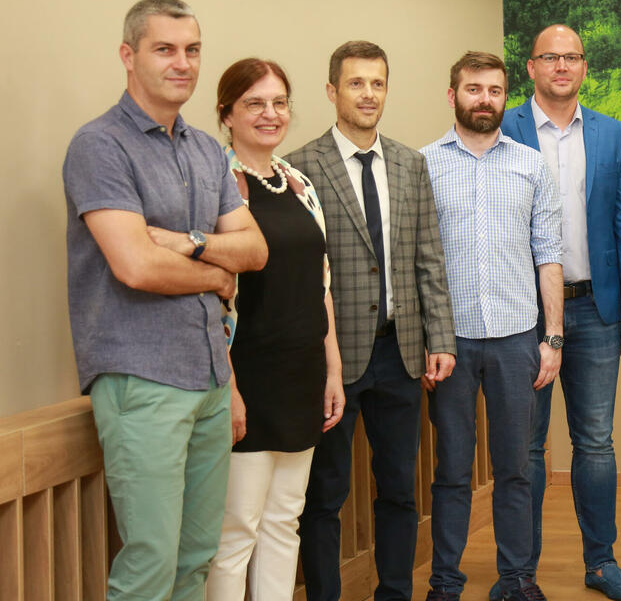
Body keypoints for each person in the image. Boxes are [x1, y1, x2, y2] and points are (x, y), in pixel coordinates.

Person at [62, 0, 268, 600]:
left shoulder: (205, 149)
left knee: (196, 558)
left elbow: (255, 249)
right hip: (141, 379)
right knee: (151, 563)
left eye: (192, 50)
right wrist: (216, 275)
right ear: (129, 56)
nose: (183, 63)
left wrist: (190, 244)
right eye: (165, 49)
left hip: (209, 375)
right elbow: (135, 265)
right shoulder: (100, 145)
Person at [288, 40, 457, 601]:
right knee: (324, 496)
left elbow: (429, 257)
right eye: (356, 83)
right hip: (332, 360)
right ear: (332, 90)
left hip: (401, 354)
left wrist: (440, 338)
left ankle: (394, 593)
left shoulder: (410, 164)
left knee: (400, 492)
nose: (368, 94)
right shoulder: (301, 168)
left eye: (377, 83)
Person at [501, 24, 621, 601]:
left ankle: (601, 563)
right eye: (550, 57)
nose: (561, 66)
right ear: (532, 67)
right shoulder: (504, 128)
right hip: (524, 316)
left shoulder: (612, 134)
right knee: (526, 448)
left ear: (584, 66)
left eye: (571, 57)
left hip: (595, 310)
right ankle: (520, 572)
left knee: (595, 443)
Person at [420, 51, 564, 601]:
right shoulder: (424, 164)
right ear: (452, 95)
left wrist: (552, 339)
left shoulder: (531, 165)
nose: (485, 100)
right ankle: (445, 583)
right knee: (453, 470)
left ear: (507, 96)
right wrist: (426, 341)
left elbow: (548, 254)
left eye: (495, 90)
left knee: (516, 468)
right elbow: (414, 261)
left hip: (516, 340)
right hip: (449, 344)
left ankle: (517, 579)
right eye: (474, 89)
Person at [203, 59, 346, 600]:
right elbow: (210, 298)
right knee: (236, 532)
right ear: (227, 114)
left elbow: (320, 284)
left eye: (279, 102)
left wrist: (332, 370)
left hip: (301, 376)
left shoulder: (299, 182)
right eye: (254, 104)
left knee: (285, 521)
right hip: (248, 379)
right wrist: (230, 389)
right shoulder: (217, 185)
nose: (270, 114)